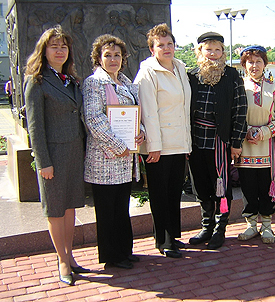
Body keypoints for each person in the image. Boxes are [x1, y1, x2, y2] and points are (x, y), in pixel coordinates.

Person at [24, 26, 86, 285]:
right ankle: (61, 260)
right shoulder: (37, 81)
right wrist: (43, 162)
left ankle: (70, 255)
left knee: (70, 206)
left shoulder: (69, 78)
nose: (60, 51)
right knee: (55, 209)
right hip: (53, 156)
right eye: (54, 46)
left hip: (74, 152)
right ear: (44, 50)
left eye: (63, 46)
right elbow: (35, 126)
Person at [83, 34, 145, 269]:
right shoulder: (93, 83)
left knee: (121, 207)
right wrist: (120, 145)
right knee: (108, 209)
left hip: (125, 159)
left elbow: (136, 112)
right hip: (105, 159)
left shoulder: (126, 82)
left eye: (117, 55)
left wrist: (140, 132)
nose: (113, 59)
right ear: (98, 58)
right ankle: (111, 256)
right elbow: (94, 118)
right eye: (107, 55)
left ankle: (124, 250)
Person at [134, 23, 191, 258]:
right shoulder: (147, 72)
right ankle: (163, 241)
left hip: (178, 142)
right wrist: (153, 147)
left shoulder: (180, 67)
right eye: (161, 45)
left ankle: (173, 236)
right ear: (152, 49)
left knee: (174, 192)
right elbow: (148, 112)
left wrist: (187, 143)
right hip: (159, 146)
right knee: (160, 195)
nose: (166, 48)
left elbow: (184, 108)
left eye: (170, 44)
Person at [188, 32, 248, 250]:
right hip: (195, 140)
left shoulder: (232, 76)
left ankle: (220, 228)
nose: (213, 54)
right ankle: (207, 225)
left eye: (217, 49)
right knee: (201, 185)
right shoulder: (191, 76)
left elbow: (241, 110)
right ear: (200, 51)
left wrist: (236, 142)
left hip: (220, 141)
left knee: (220, 187)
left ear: (223, 52)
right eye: (208, 49)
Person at [234, 46, 275, 243]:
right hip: (245, 148)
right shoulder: (239, 87)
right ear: (244, 65)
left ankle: (267, 225)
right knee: (248, 188)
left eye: (258, 61)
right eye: (250, 62)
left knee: (267, 187)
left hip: (269, 148)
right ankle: (251, 225)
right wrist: (247, 130)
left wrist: (264, 132)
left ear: (265, 64)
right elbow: (234, 115)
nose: (254, 65)